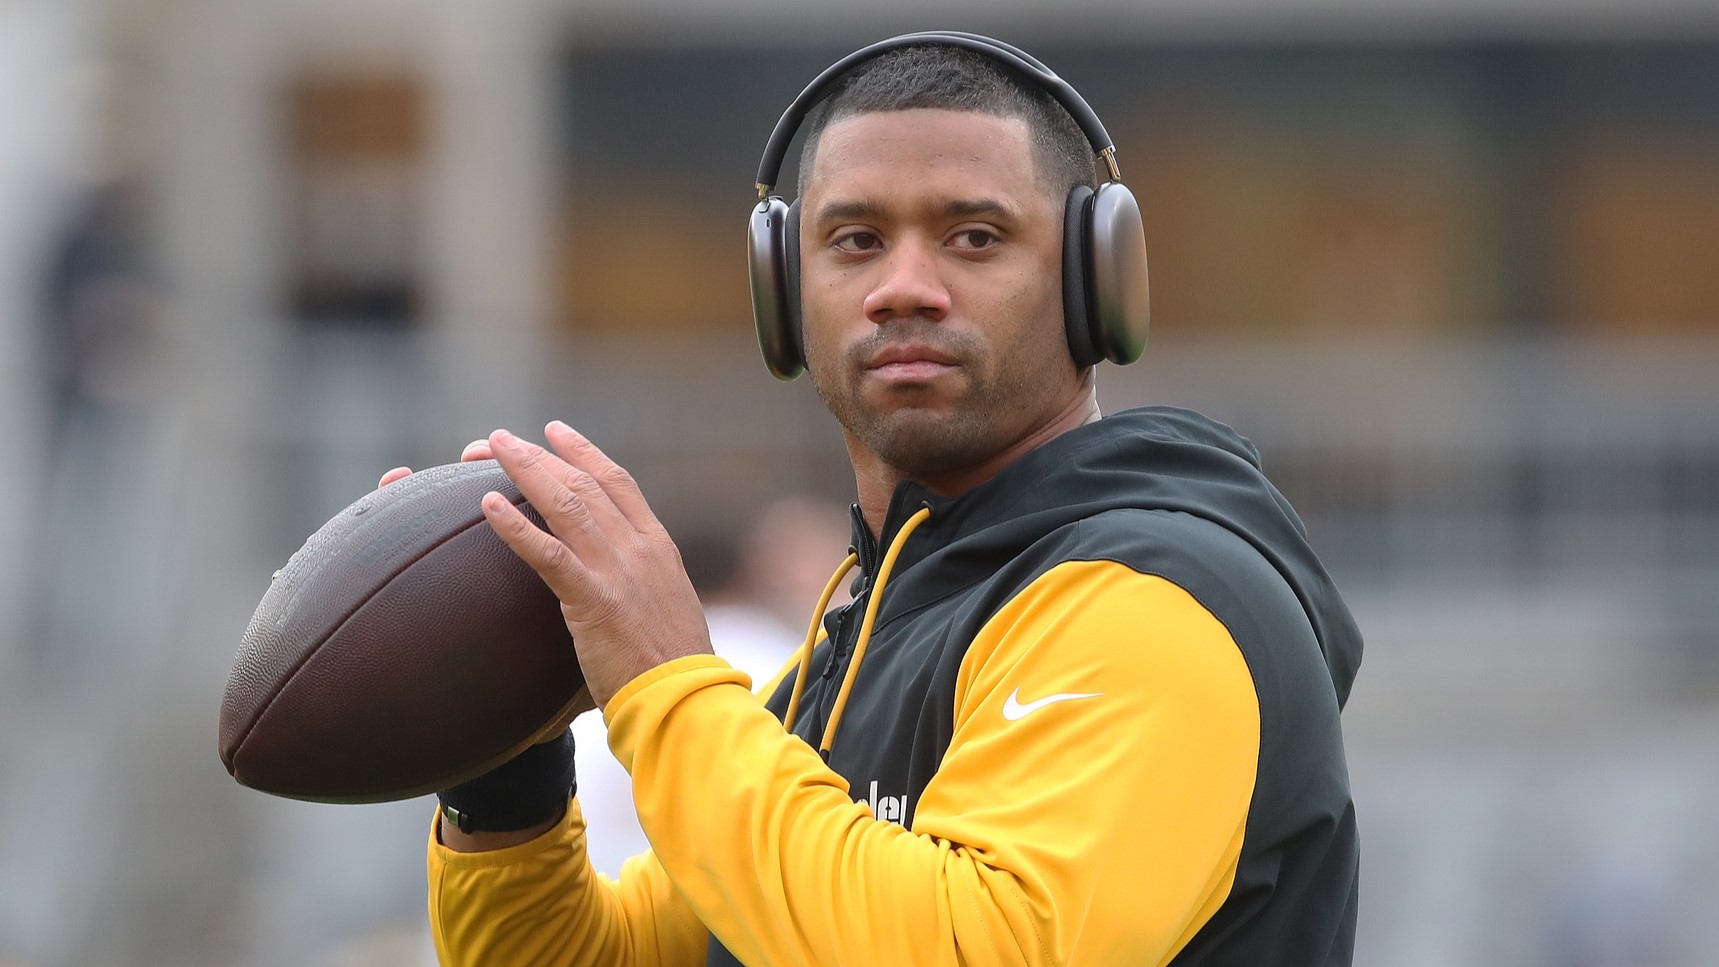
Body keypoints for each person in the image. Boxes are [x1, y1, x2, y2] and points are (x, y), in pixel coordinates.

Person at [389, 34, 1363, 966]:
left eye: (973, 237)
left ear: (1093, 279)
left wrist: (665, 680)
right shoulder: (857, 644)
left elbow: (971, 950)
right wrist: (507, 766)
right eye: (855, 240)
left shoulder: (1155, 601)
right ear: (782, 293)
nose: (903, 287)